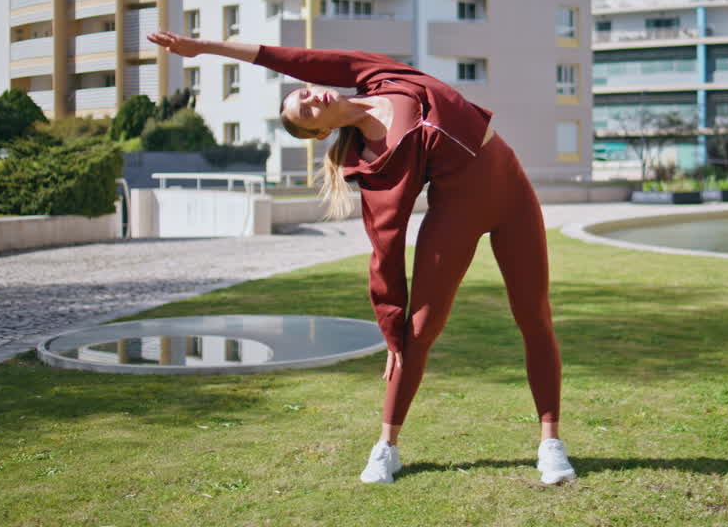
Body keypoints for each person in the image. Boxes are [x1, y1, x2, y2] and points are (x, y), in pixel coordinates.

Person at [145, 32, 576, 485]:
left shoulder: (379, 77)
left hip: (515, 197)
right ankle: (386, 448)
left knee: (535, 316)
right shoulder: (376, 165)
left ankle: (550, 444)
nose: (311, 98)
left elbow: (295, 58)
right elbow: (384, 251)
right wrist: (390, 331)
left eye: (305, 94)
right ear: (321, 131)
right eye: (306, 110)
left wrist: (208, 47)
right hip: (457, 215)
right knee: (418, 332)